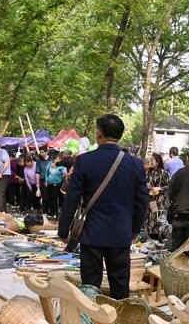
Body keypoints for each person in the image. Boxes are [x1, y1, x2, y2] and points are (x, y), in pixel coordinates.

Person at [59, 114, 148, 299]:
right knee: (120, 283)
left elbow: (72, 198)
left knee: (90, 284)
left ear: (99, 133)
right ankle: (119, 323)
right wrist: (135, 230)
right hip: (121, 233)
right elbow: (142, 201)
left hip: (92, 233)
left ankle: (90, 322)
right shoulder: (135, 164)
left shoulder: (85, 161)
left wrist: (63, 230)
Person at [144, 152, 171, 240]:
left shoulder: (163, 173)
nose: (150, 162)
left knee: (158, 218)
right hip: (150, 199)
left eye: (152, 160)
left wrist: (158, 188)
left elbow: (168, 186)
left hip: (159, 200)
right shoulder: (149, 172)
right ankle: (150, 238)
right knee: (150, 219)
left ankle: (160, 237)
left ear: (158, 161)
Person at [36, 148, 52, 214]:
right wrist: (37, 182)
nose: (40, 154)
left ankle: (51, 210)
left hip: (51, 180)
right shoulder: (39, 161)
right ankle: (44, 210)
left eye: (42, 152)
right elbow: (37, 172)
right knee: (44, 196)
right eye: (40, 152)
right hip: (42, 180)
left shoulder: (51, 160)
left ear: (46, 152)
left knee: (50, 196)